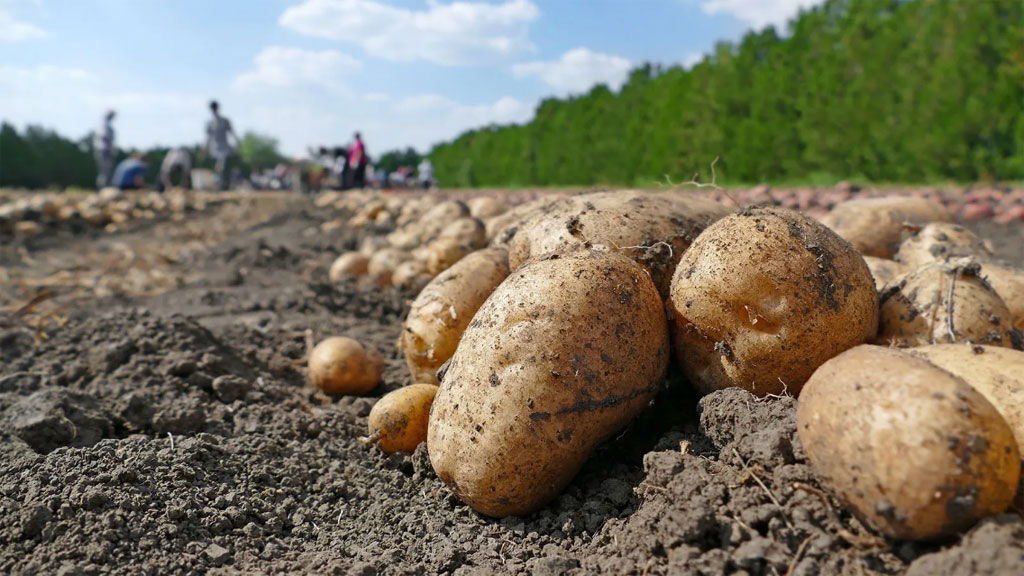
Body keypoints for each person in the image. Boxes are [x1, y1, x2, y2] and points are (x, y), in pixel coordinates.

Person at [203, 100, 239, 191]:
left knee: (224, 168)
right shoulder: (209, 123)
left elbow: (232, 133)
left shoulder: (225, 121)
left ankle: (225, 186)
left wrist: (237, 144)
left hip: (225, 148)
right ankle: (218, 186)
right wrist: (204, 148)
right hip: (214, 149)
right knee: (216, 169)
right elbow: (207, 137)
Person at [93, 110, 116, 189]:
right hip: (103, 150)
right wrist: (111, 148)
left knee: (105, 171)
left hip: (104, 150)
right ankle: (102, 189)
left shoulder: (105, 124)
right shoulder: (104, 124)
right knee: (105, 171)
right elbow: (105, 137)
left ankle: (103, 188)